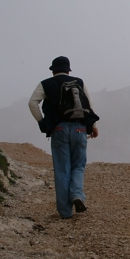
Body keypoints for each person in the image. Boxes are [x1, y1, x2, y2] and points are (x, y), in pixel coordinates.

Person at [28, 56, 99, 219]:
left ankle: (65, 212)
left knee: (62, 169)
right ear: (68, 70)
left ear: (53, 70)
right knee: (78, 166)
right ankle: (77, 195)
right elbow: (89, 105)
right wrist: (93, 127)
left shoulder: (45, 84)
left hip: (58, 130)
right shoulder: (79, 82)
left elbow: (32, 103)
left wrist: (42, 122)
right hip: (80, 130)